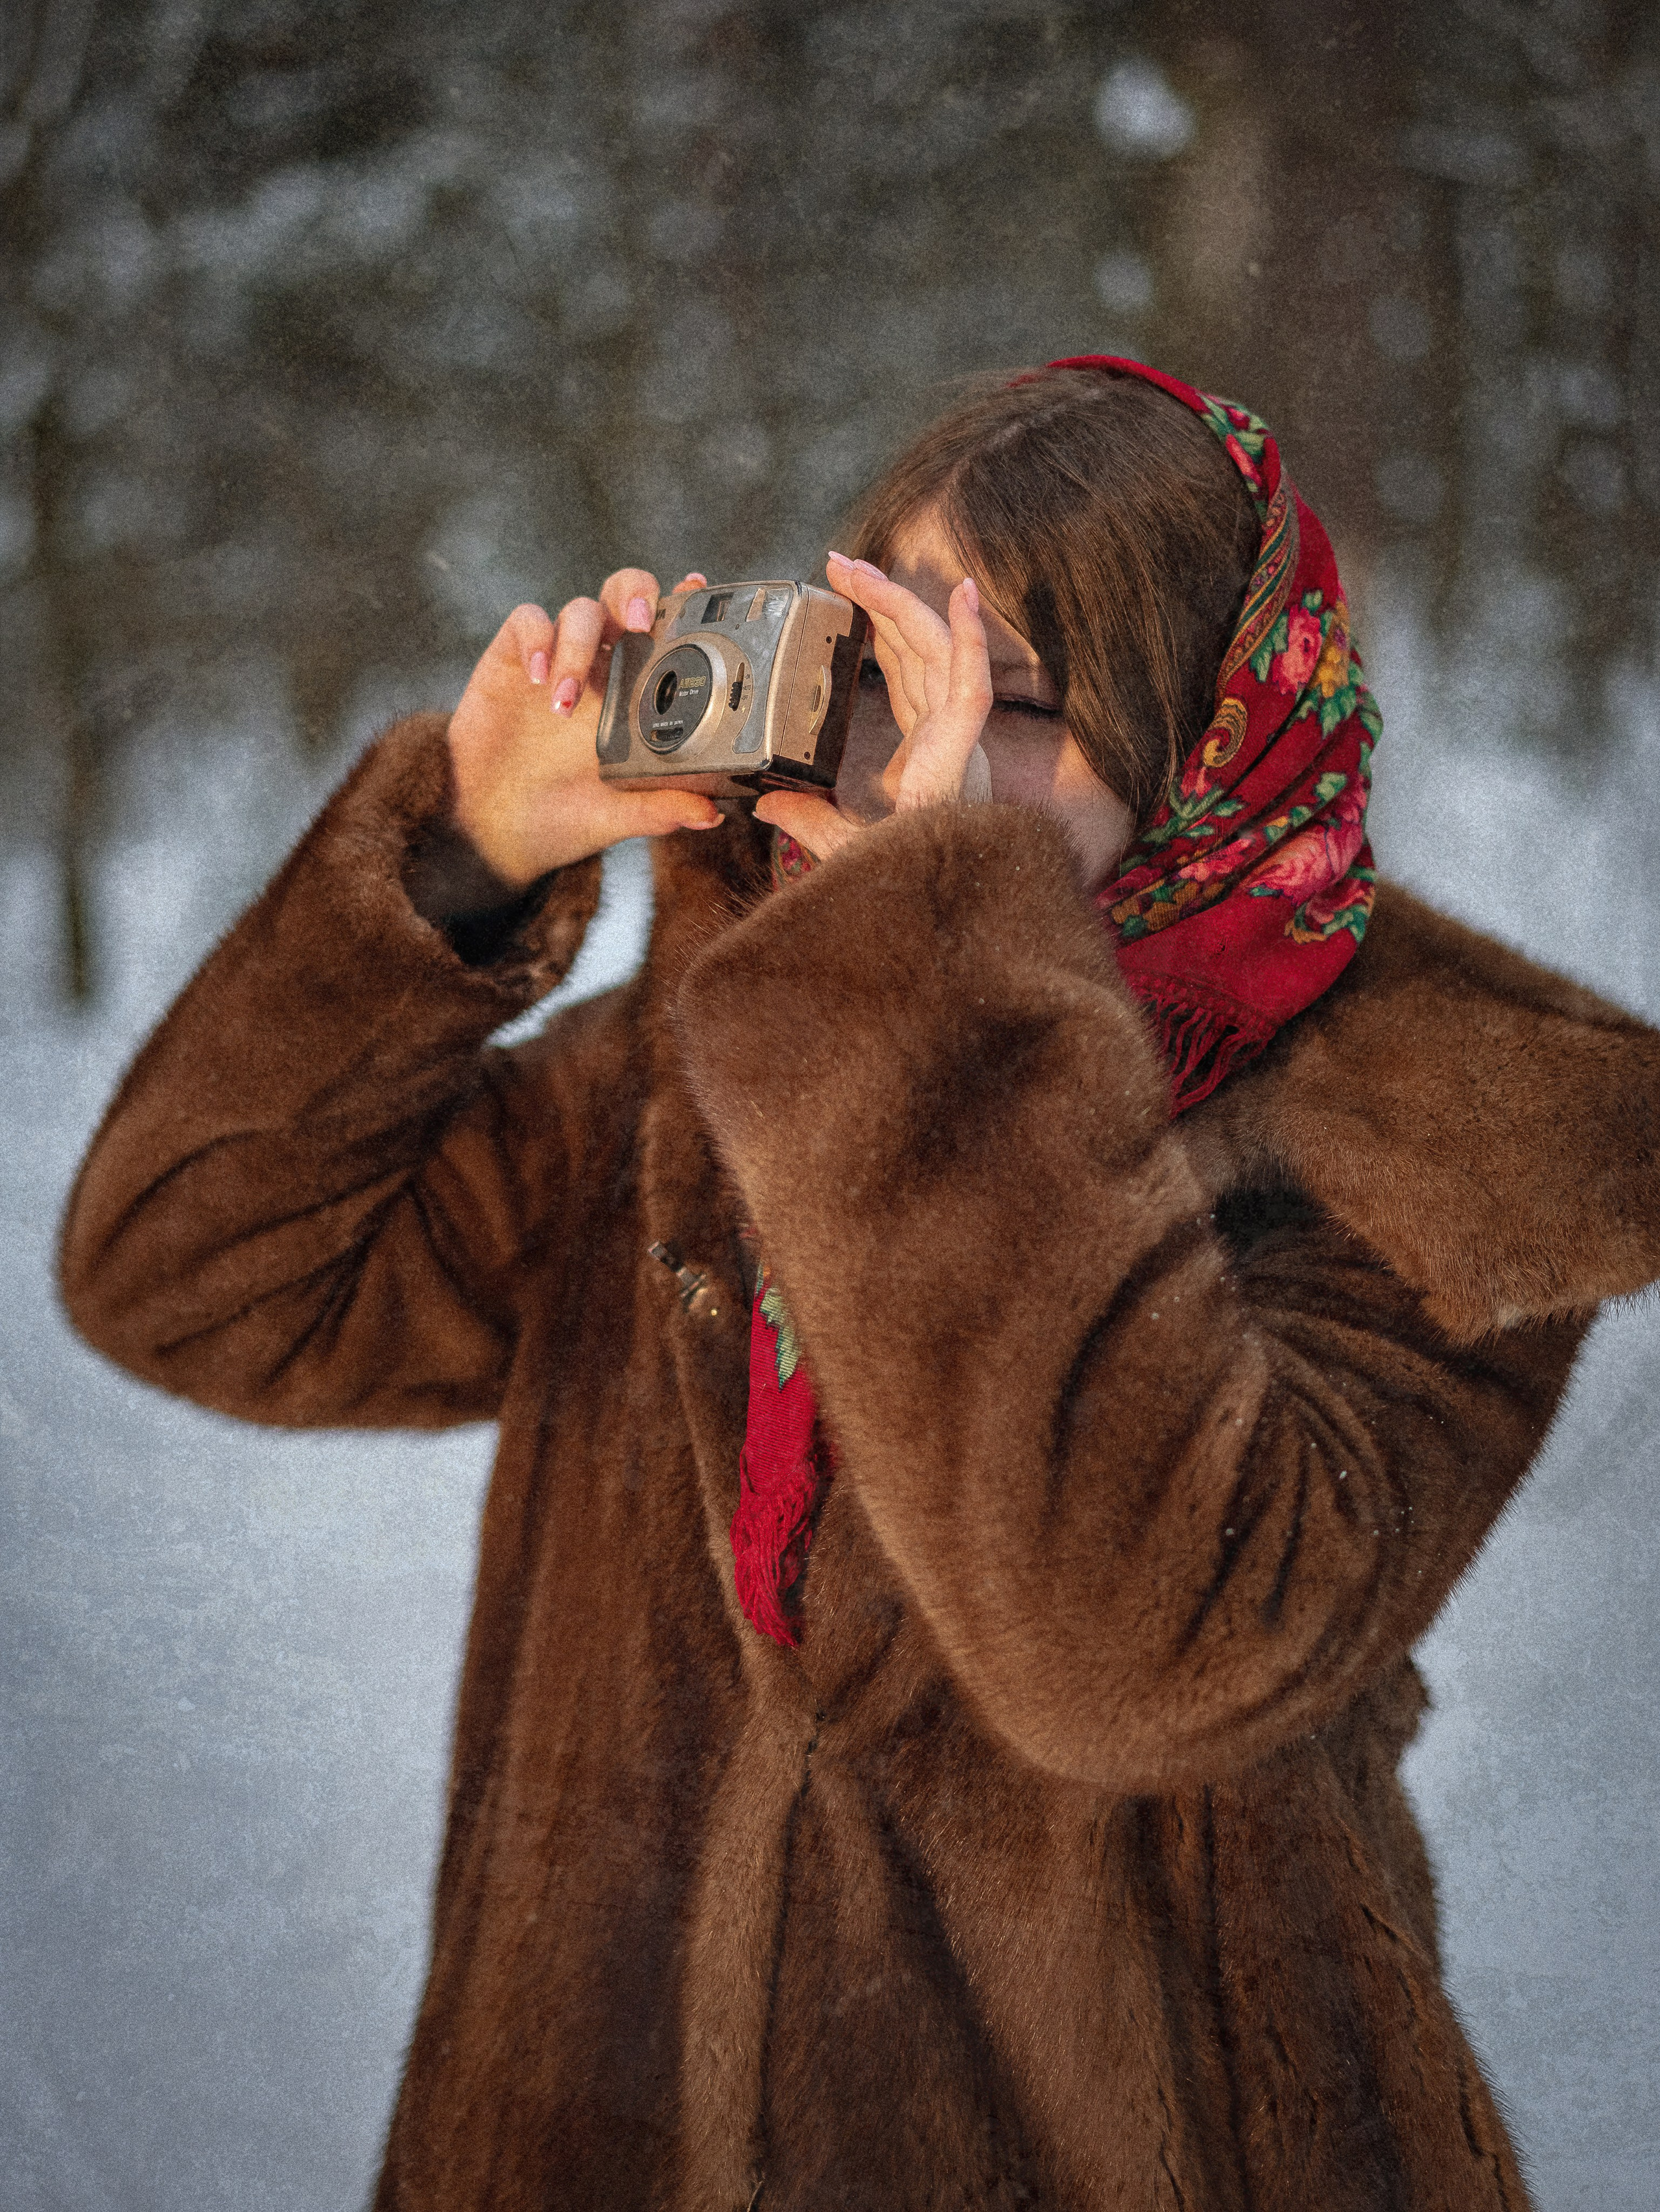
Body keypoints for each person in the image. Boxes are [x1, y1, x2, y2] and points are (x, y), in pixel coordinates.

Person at [58, 359, 1660, 2211]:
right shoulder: (721, 1061)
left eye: (1008, 696)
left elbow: (1141, 1653)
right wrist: (469, 859)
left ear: (1212, 750)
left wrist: (940, 973)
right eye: (886, 653)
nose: (894, 745)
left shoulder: (1444, 1157)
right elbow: (187, 1268)